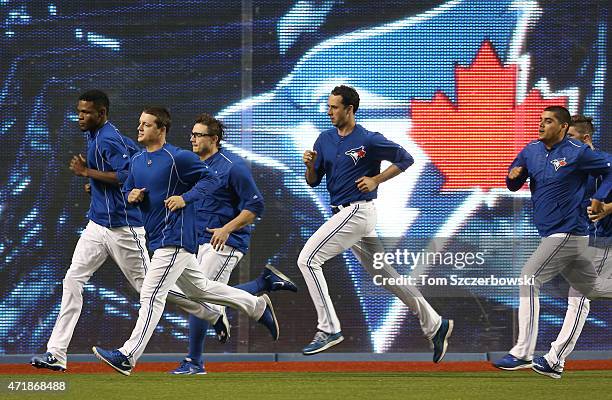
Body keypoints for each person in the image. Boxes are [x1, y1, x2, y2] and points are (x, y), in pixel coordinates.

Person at [30, 91, 227, 372]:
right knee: (73, 280)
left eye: (86, 112)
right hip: (98, 226)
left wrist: (89, 174)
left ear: (102, 113)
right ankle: (56, 353)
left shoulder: (107, 138)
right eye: (79, 111)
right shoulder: (96, 136)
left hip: (124, 229)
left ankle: (209, 312)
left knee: (148, 290)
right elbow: (127, 168)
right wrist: (95, 185)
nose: (80, 117)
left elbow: (126, 174)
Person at [92, 107, 279, 376]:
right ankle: (255, 306)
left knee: (151, 294)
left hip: (177, 237)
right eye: (139, 123)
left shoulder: (178, 158)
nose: (139, 128)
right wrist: (131, 194)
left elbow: (212, 178)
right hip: (157, 238)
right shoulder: (136, 161)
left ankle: (127, 356)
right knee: (201, 289)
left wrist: (186, 198)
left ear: (161, 129)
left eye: (146, 124)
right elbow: (127, 187)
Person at [299, 85, 452, 361]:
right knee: (385, 276)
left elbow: (406, 158)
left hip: (358, 211)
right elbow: (313, 181)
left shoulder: (368, 139)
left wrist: (376, 179)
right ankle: (435, 323)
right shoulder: (324, 139)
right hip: (345, 214)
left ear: (350, 109)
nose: (329, 111)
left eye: (334, 107)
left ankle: (329, 328)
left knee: (307, 260)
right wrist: (310, 165)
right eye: (329, 106)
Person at [170, 113, 297, 375]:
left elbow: (255, 205)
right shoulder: (192, 165)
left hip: (224, 242)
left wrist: (227, 228)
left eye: (198, 135)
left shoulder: (232, 166)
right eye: (192, 134)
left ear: (214, 139)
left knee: (199, 295)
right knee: (195, 293)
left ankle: (194, 361)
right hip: (195, 243)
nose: (192, 139)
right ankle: (261, 286)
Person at [494, 106, 612, 371]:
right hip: (558, 233)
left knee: (529, 277)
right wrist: (512, 176)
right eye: (540, 120)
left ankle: (523, 352)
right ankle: (549, 359)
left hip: (571, 232)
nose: (541, 124)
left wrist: (602, 199)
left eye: (548, 121)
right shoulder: (531, 150)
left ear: (562, 127)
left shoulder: (578, 153)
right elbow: (514, 180)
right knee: (589, 290)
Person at [530, 115, 612, 378]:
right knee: (586, 294)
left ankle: (555, 358)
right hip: (585, 239)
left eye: (573, 138)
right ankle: (555, 359)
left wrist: (608, 206)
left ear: (586, 139)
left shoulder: (601, 163)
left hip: (605, 241)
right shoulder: (570, 166)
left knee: (579, 298)